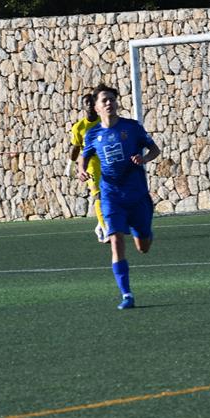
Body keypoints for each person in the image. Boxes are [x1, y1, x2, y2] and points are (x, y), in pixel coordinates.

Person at [78, 83, 161, 310]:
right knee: (115, 239)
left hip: (137, 194)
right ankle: (127, 294)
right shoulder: (93, 134)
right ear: (96, 107)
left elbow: (154, 149)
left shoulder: (132, 127)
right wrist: (81, 170)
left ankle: (143, 231)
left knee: (143, 246)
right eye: (104, 100)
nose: (109, 103)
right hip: (111, 195)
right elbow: (84, 157)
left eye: (112, 99)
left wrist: (144, 159)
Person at [67, 93, 108, 243]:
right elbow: (76, 147)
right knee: (98, 195)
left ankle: (99, 226)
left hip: (107, 161)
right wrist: (71, 164)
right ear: (83, 106)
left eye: (92, 102)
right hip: (90, 164)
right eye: (86, 103)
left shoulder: (104, 121)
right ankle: (106, 229)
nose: (90, 105)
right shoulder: (79, 127)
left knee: (111, 194)